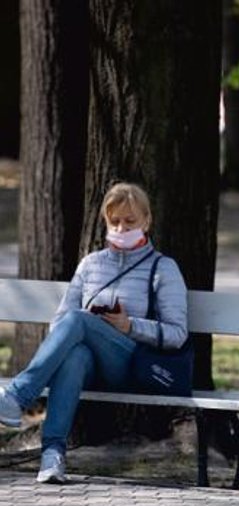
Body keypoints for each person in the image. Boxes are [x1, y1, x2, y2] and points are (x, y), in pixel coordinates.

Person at [0, 182, 188, 484]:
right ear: (105, 221)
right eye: (115, 221)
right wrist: (90, 325)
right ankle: (52, 456)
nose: (122, 227)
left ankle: (18, 396)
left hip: (131, 364)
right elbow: (60, 322)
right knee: (75, 353)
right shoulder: (91, 265)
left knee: (79, 321)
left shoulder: (163, 268)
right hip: (88, 364)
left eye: (130, 221)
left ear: (146, 221)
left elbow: (177, 334)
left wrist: (129, 326)